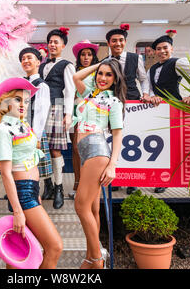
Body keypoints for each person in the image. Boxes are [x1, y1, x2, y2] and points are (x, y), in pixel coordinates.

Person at [0, 77, 63, 269]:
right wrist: (17, 211)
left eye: (26, 100)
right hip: (22, 193)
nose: (23, 104)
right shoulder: (4, 130)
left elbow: (29, 162)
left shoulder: (22, 126)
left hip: (30, 191)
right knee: (54, 247)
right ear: (5, 101)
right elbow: (6, 174)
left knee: (19, 254)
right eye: (17, 99)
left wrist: (36, 192)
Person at [73, 58, 126, 269]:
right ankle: (91, 256)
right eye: (100, 74)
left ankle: (97, 259)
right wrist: (102, 63)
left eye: (108, 75)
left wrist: (113, 165)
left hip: (96, 149)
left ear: (115, 79)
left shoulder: (114, 102)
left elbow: (117, 134)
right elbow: (76, 76)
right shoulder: (90, 94)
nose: (103, 78)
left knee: (80, 206)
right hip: (85, 151)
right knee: (93, 210)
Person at [148, 29, 190, 193]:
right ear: (155, 52)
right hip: (157, 110)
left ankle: (167, 178)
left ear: (171, 49)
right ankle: (158, 176)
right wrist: (152, 96)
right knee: (159, 144)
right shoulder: (152, 69)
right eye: (159, 49)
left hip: (174, 109)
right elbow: (149, 88)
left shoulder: (177, 63)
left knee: (170, 146)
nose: (162, 51)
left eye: (165, 48)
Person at [105, 24, 151, 195]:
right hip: (114, 102)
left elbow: (143, 79)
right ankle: (117, 177)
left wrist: (145, 93)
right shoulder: (105, 62)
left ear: (125, 42)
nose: (118, 43)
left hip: (133, 100)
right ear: (108, 43)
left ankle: (133, 180)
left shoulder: (135, 58)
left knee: (133, 139)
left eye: (121, 40)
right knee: (115, 139)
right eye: (114, 41)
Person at [38, 27, 76, 209]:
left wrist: (68, 114)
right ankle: (48, 185)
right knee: (41, 148)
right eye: (50, 42)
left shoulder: (67, 65)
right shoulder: (41, 65)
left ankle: (59, 187)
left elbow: (70, 90)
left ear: (63, 45)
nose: (52, 45)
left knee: (55, 150)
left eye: (56, 42)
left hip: (57, 107)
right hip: (39, 109)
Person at [69, 40, 99, 199]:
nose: (86, 57)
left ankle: (89, 185)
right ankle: (77, 183)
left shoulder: (98, 72)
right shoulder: (73, 70)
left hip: (91, 112)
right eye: (83, 54)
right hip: (74, 111)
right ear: (79, 57)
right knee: (75, 149)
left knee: (89, 149)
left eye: (89, 54)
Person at [19, 47, 52, 184]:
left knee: (36, 163)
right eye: (23, 59)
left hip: (34, 130)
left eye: (29, 58)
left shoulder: (41, 85)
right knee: (25, 163)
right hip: (23, 129)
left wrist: (36, 136)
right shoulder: (22, 84)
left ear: (38, 62)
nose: (25, 61)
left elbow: (41, 112)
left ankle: (42, 189)